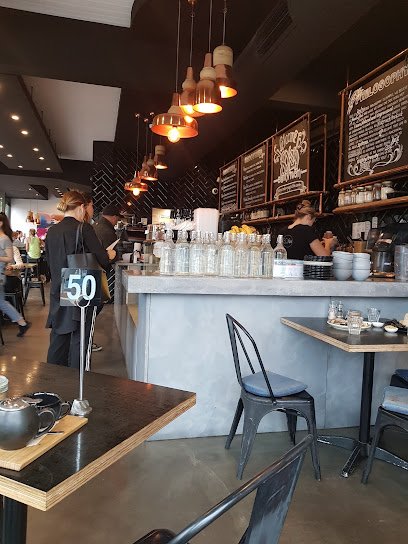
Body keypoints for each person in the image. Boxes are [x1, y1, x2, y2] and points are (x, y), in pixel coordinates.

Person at [45, 191, 115, 368]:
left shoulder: (52, 231)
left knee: (59, 335)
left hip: (57, 287)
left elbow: (49, 260)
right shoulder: (84, 228)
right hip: (79, 287)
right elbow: (102, 259)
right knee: (81, 336)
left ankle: (52, 374)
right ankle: (77, 378)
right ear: (82, 207)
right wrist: (111, 254)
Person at [0, 213, 30, 336]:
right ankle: (22, 323)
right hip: (3, 275)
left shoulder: (5, 240)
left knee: (2, 302)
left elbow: (11, 259)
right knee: (2, 302)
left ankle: (21, 322)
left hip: (3, 275)